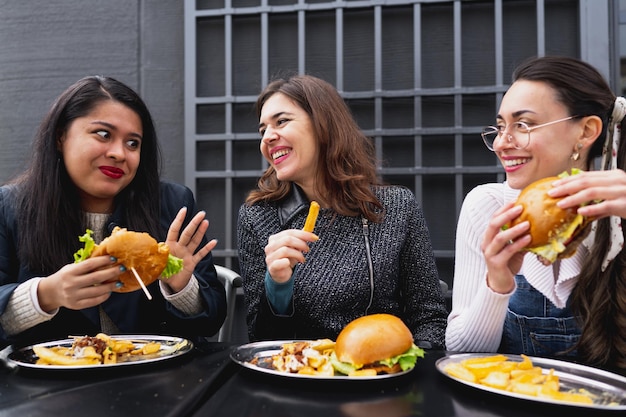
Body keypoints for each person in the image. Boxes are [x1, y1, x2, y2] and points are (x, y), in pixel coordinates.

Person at [0, 76, 227, 348]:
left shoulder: (172, 203)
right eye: (104, 134)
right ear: (61, 136)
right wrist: (46, 295)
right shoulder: (11, 207)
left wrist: (180, 287)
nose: (119, 153)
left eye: (133, 143)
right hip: (52, 382)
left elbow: (210, 321)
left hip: (155, 378)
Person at [237, 74, 448, 347]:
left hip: (379, 376)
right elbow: (261, 340)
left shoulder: (397, 206)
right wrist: (277, 286)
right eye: (262, 129)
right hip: (302, 376)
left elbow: (430, 319)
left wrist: (407, 369)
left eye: (281, 121)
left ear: (324, 124)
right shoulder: (257, 216)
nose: (268, 137)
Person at [446, 56, 626, 371]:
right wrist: (498, 284)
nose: (502, 143)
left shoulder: (619, 212)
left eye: (523, 125)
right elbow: (461, 354)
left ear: (585, 131)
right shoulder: (488, 205)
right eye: (500, 127)